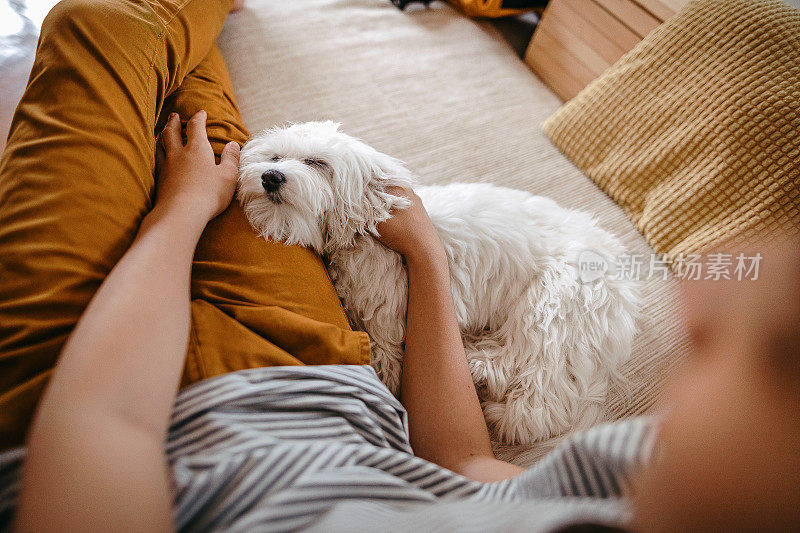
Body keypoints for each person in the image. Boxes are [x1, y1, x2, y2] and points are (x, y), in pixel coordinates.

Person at [1, 0, 799, 531]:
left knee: (95, 29)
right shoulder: (599, 489)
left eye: (782, 360)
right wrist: (421, 251)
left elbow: (101, 427)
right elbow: (459, 459)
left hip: (89, 385)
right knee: (197, 117)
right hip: (322, 368)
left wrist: (178, 217)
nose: (701, 296)